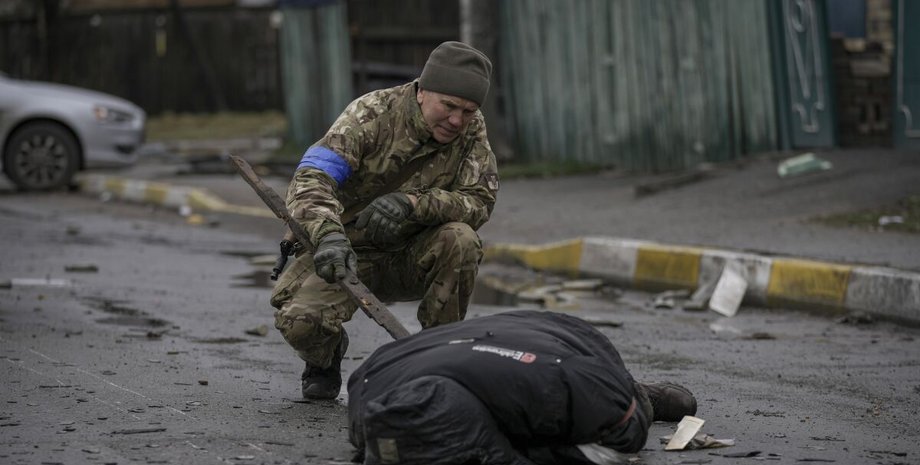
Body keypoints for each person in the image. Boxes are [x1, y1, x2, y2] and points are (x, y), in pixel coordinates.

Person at [271, 41, 500, 399]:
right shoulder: (370, 114)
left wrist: (414, 204)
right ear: (422, 92)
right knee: (301, 323)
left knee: (461, 239)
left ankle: (436, 361)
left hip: (413, 255)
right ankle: (325, 355)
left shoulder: (471, 131)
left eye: (468, 111)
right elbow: (312, 178)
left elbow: (479, 201)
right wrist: (328, 234)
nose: (457, 120)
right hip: (347, 254)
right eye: (449, 106)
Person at [347, 310, 698, 465]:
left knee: (617, 416)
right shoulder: (372, 399)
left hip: (559, 341)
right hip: (438, 348)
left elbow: (622, 429)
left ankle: (642, 391)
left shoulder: (561, 387)